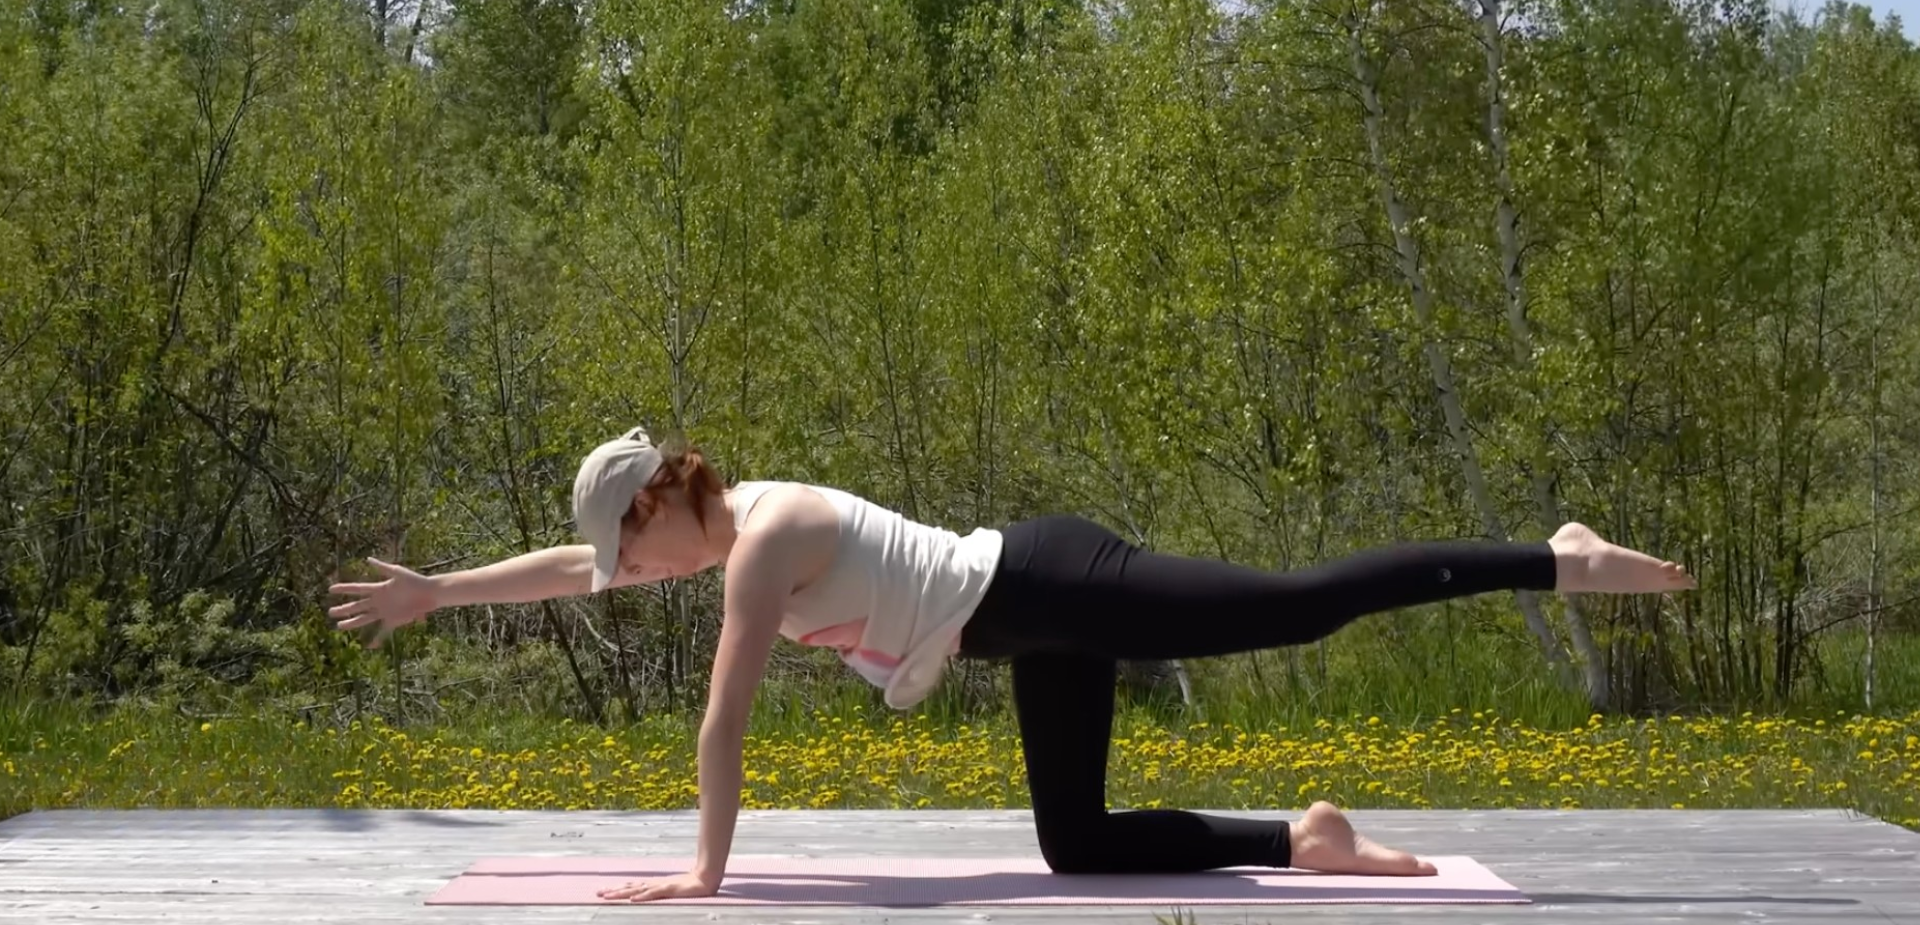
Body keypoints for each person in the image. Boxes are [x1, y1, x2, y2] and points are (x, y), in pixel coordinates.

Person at [327, 426, 1696, 903]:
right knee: (1076, 847)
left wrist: (705, 874)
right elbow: (566, 571)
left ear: (659, 509)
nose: (630, 578)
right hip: (1021, 628)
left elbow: (722, 725)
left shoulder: (760, 544)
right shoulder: (716, 538)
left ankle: (1551, 556)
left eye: (631, 554)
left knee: (1297, 607)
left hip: (1054, 580)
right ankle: (1305, 839)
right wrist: (440, 590)